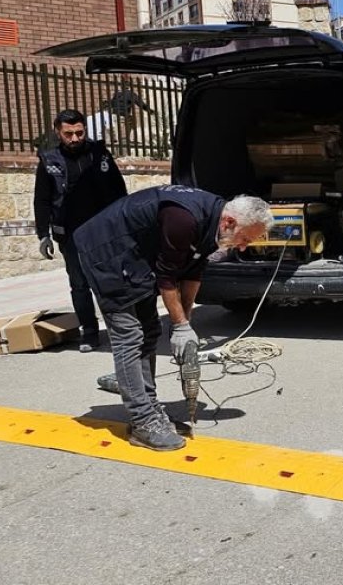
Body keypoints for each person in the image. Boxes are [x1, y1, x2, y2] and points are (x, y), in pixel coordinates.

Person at [73, 186, 273, 451]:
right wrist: (178, 324)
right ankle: (143, 421)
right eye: (245, 238)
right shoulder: (184, 218)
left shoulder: (215, 223)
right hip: (106, 251)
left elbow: (193, 272)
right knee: (129, 336)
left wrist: (185, 322)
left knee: (150, 331)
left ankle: (150, 408)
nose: (244, 247)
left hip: (135, 256)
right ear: (229, 222)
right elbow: (166, 276)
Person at [34, 109, 129, 352]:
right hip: (70, 232)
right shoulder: (49, 160)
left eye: (79, 133)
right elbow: (42, 200)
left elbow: (118, 188)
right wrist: (43, 234)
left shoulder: (99, 153)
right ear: (58, 132)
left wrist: (124, 221)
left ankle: (120, 328)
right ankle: (89, 331)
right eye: (69, 134)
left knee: (110, 280)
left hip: (102, 229)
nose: (75, 138)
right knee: (79, 284)